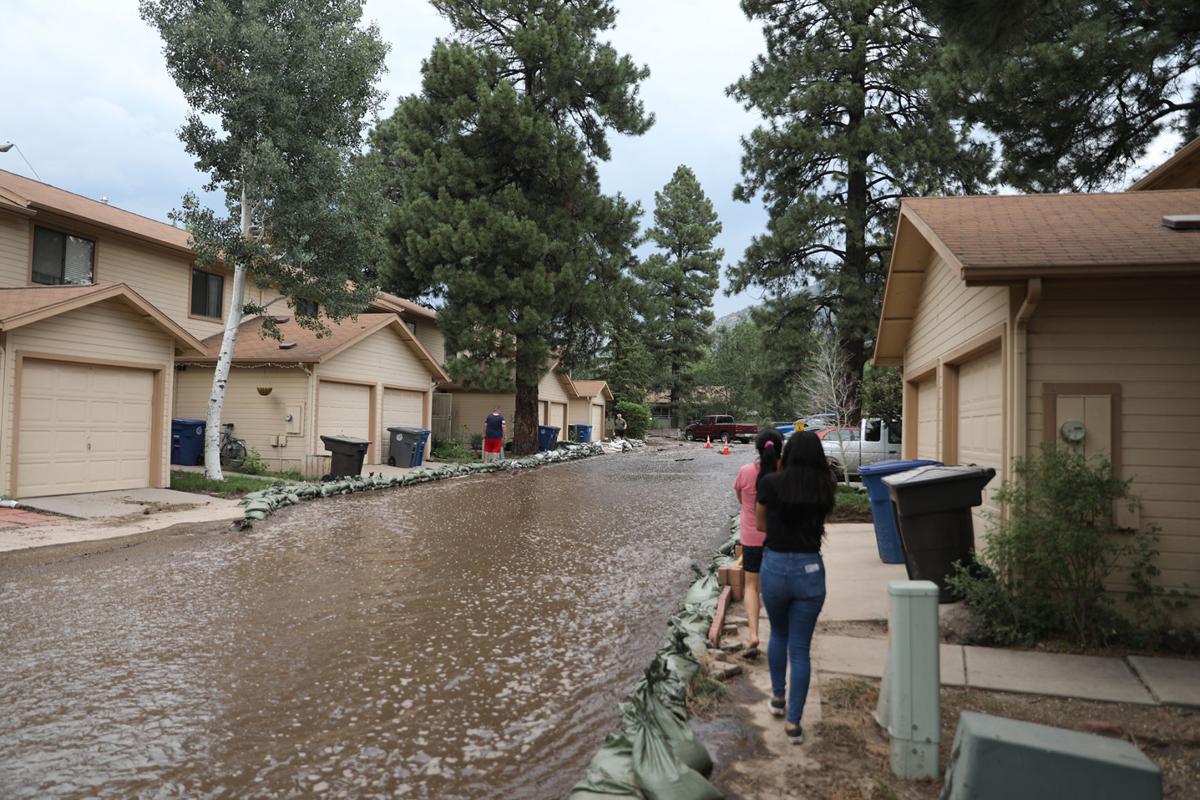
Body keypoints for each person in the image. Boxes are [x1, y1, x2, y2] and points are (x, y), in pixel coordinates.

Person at [755, 430, 835, 745]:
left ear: (787, 455)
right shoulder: (824, 487)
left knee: (778, 633)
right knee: (800, 649)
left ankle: (777, 697)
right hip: (810, 570)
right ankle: (793, 724)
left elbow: (761, 525)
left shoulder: (770, 484)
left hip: (774, 567)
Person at [732, 427, 784, 659]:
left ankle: (753, 634)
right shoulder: (787, 472)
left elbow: (741, 499)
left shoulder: (745, 472)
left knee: (752, 586)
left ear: (757, 449)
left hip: (752, 538)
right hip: (781, 538)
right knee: (778, 587)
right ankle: (780, 635)